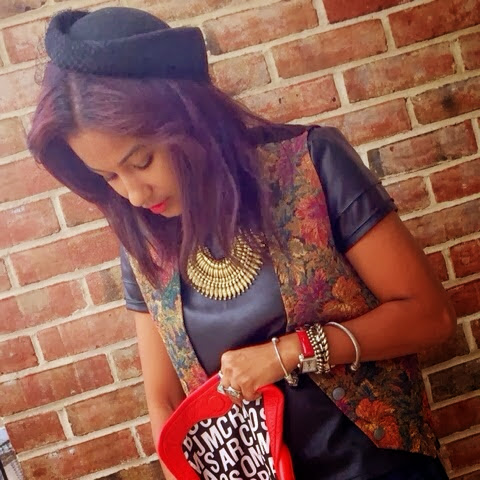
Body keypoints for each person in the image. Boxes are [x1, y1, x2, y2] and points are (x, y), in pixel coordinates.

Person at [28, 6, 456, 480]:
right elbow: (166, 403)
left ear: (189, 117)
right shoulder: (142, 241)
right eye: (108, 176)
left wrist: (288, 353)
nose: (133, 194)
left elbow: (430, 316)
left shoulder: (310, 167)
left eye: (142, 161)